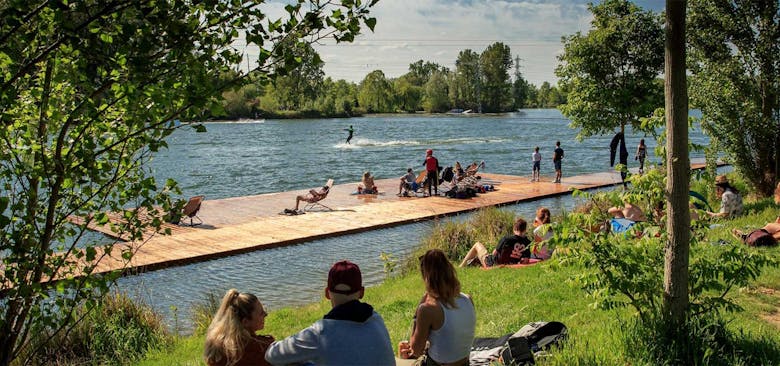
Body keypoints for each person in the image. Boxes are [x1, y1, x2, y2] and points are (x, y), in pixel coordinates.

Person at [265, 260, 395, 365]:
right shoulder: (376, 319)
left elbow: (272, 356)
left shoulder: (320, 333)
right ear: (361, 292)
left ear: (327, 293)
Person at [398, 249, 475, 365]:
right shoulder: (468, 299)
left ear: (427, 277)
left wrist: (417, 314)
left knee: (400, 359)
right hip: (465, 363)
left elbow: (416, 350)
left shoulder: (427, 309)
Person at [204, 289, 274, 366]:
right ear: (245, 322)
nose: (266, 314)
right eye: (261, 313)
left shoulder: (217, 347)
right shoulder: (258, 349)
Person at [459, 217, 531, 268]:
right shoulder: (528, 242)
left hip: (493, 264)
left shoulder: (506, 239)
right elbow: (526, 261)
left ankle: (461, 266)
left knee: (477, 245)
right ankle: (475, 262)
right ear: (525, 229)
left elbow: (494, 254)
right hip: (510, 263)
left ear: (514, 228)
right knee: (482, 256)